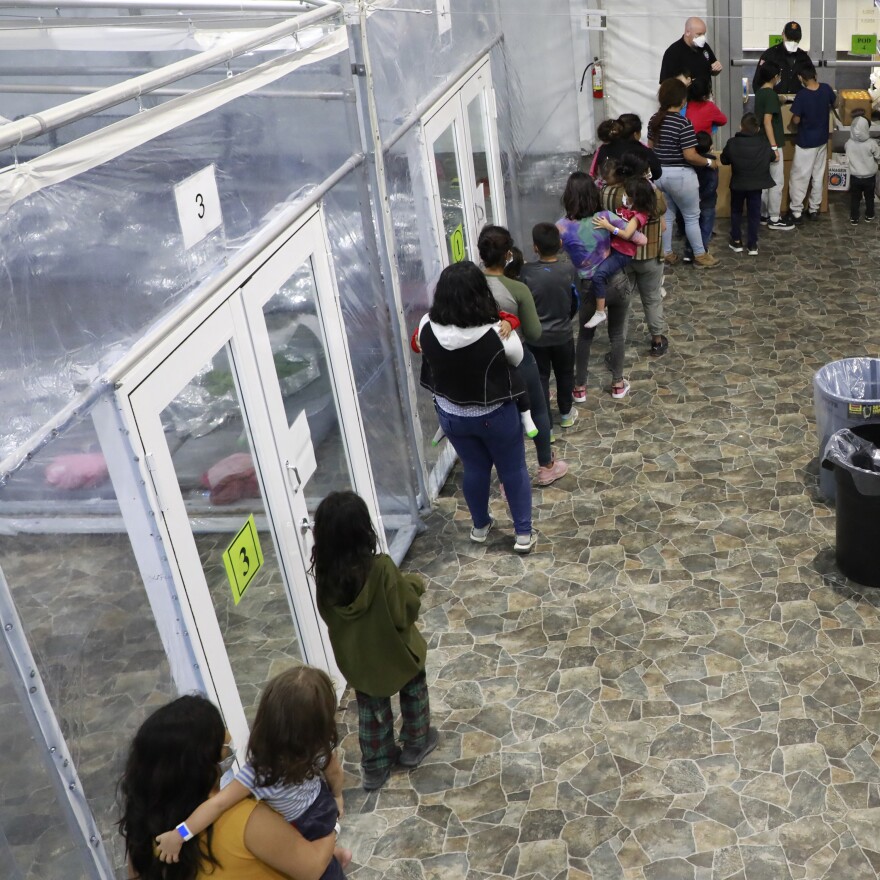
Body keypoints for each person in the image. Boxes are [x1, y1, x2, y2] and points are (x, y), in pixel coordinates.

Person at [119, 695, 341, 880]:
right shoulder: (246, 818)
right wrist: (331, 822)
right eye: (224, 745)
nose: (231, 739)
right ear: (205, 763)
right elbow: (313, 867)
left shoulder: (143, 829)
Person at [312, 490, 439, 792]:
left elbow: (328, 615)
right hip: (397, 651)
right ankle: (415, 744)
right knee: (414, 690)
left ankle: (375, 765)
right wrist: (414, 586)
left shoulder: (325, 576)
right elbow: (403, 611)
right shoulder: (380, 568)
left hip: (359, 659)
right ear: (363, 529)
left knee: (371, 709)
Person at [415, 263, 539, 548]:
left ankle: (480, 526)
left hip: (451, 416)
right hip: (495, 414)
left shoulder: (425, 325)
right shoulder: (496, 332)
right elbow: (517, 359)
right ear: (480, 293)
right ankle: (522, 533)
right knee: (513, 470)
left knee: (475, 469)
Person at [478, 225, 568, 487]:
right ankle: (546, 466)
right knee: (537, 409)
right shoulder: (516, 289)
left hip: (483, 362)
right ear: (508, 254)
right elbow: (534, 332)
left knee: (500, 420)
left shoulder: (471, 284)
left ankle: (507, 478)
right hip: (517, 359)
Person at [557, 172, 638, 400]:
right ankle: (618, 384)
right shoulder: (605, 217)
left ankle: (580, 387)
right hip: (618, 281)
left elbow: (551, 250)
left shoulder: (561, 227)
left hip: (588, 287)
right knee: (617, 335)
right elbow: (635, 235)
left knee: (584, 336)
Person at [600, 154, 670, 357]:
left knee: (622, 301)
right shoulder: (650, 192)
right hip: (650, 255)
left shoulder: (609, 192)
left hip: (621, 256)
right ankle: (657, 340)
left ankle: (617, 345)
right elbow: (662, 210)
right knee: (652, 298)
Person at [648, 78, 720, 267]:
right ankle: (700, 254)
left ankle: (666, 253)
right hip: (681, 176)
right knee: (691, 216)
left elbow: (651, 148)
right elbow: (690, 156)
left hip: (659, 175)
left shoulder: (653, 121)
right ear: (681, 100)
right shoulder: (683, 123)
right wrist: (708, 162)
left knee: (667, 215)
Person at [519, 223, 579, 432]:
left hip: (537, 338)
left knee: (540, 378)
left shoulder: (525, 272)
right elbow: (575, 302)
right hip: (563, 334)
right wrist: (565, 319)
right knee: (565, 375)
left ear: (535, 247)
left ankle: (546, 426)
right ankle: (565, 414)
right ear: (560, 244)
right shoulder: (568, 269)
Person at [588, 175, 655, 328]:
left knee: (599, 276)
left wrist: (609, 227)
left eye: (627, 195)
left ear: (636, 198)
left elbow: (627, 234)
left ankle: (600, 311)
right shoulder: (628, 211)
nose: (624, 197)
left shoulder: (638, 216)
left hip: (622, 254)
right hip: (614, 249)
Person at [787, 60, 836, 223]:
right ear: (815, 75)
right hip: (822, 141)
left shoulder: (802, 96)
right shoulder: (826, 89)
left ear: (801, 78)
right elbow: (834, 103)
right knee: (818, 175)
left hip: (805, 142)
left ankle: (796, 211)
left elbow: (796, 120)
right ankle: (814, 209)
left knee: (800, 176)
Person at [721, 113, 775, 256]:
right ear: (757, 129)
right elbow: (772, 157)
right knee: (754, 213)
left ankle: (737, 240)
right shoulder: (763, 142)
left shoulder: (732, 142)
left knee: (736, 211)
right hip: (756, 185)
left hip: (738, 183)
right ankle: (752, 244)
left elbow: (724, 160)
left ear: (741, 126)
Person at [754, 60, 795, 231]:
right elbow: (767, 121)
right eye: (778, 75)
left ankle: (763, 215)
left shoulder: (760, 93)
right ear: (774, 77)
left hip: (760, 143)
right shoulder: (770, 95)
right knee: (777, 182)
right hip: (772, 143)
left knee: (763, 182)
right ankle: (774, 218)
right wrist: (774, 147)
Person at [594, 113, 663, 183]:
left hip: (610, 191)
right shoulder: (644, 151)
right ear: (635, 134)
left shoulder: (604, 148)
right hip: (637, 191)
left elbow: (599, 171)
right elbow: (657, 173)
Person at [659, 17, 722, 91]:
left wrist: (717, 68)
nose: (702, 38)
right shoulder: (673, 52)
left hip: (705, 98)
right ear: (687, 32)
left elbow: (713, 70)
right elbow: (665, 84)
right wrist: (684, 83)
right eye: (699, 34)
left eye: (704, 34)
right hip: (686, 99)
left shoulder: (704, 47)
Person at [757, 21, 812, 95]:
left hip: (798, 103)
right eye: (789, 39)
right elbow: (757, 83)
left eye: (795, 40)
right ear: (783, 35)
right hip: (774, 103)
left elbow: (812, 83)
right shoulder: (769, 55)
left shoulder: (804, 57)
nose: (792, 42)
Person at [845, 112, 880, 224]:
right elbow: (878, 156)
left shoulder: (848, 143)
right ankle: (869, 215)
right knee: (869, 197)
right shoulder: (871, 143)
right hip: (869, 177)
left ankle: (854, 217)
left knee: (855, 198)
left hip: (855, 176)